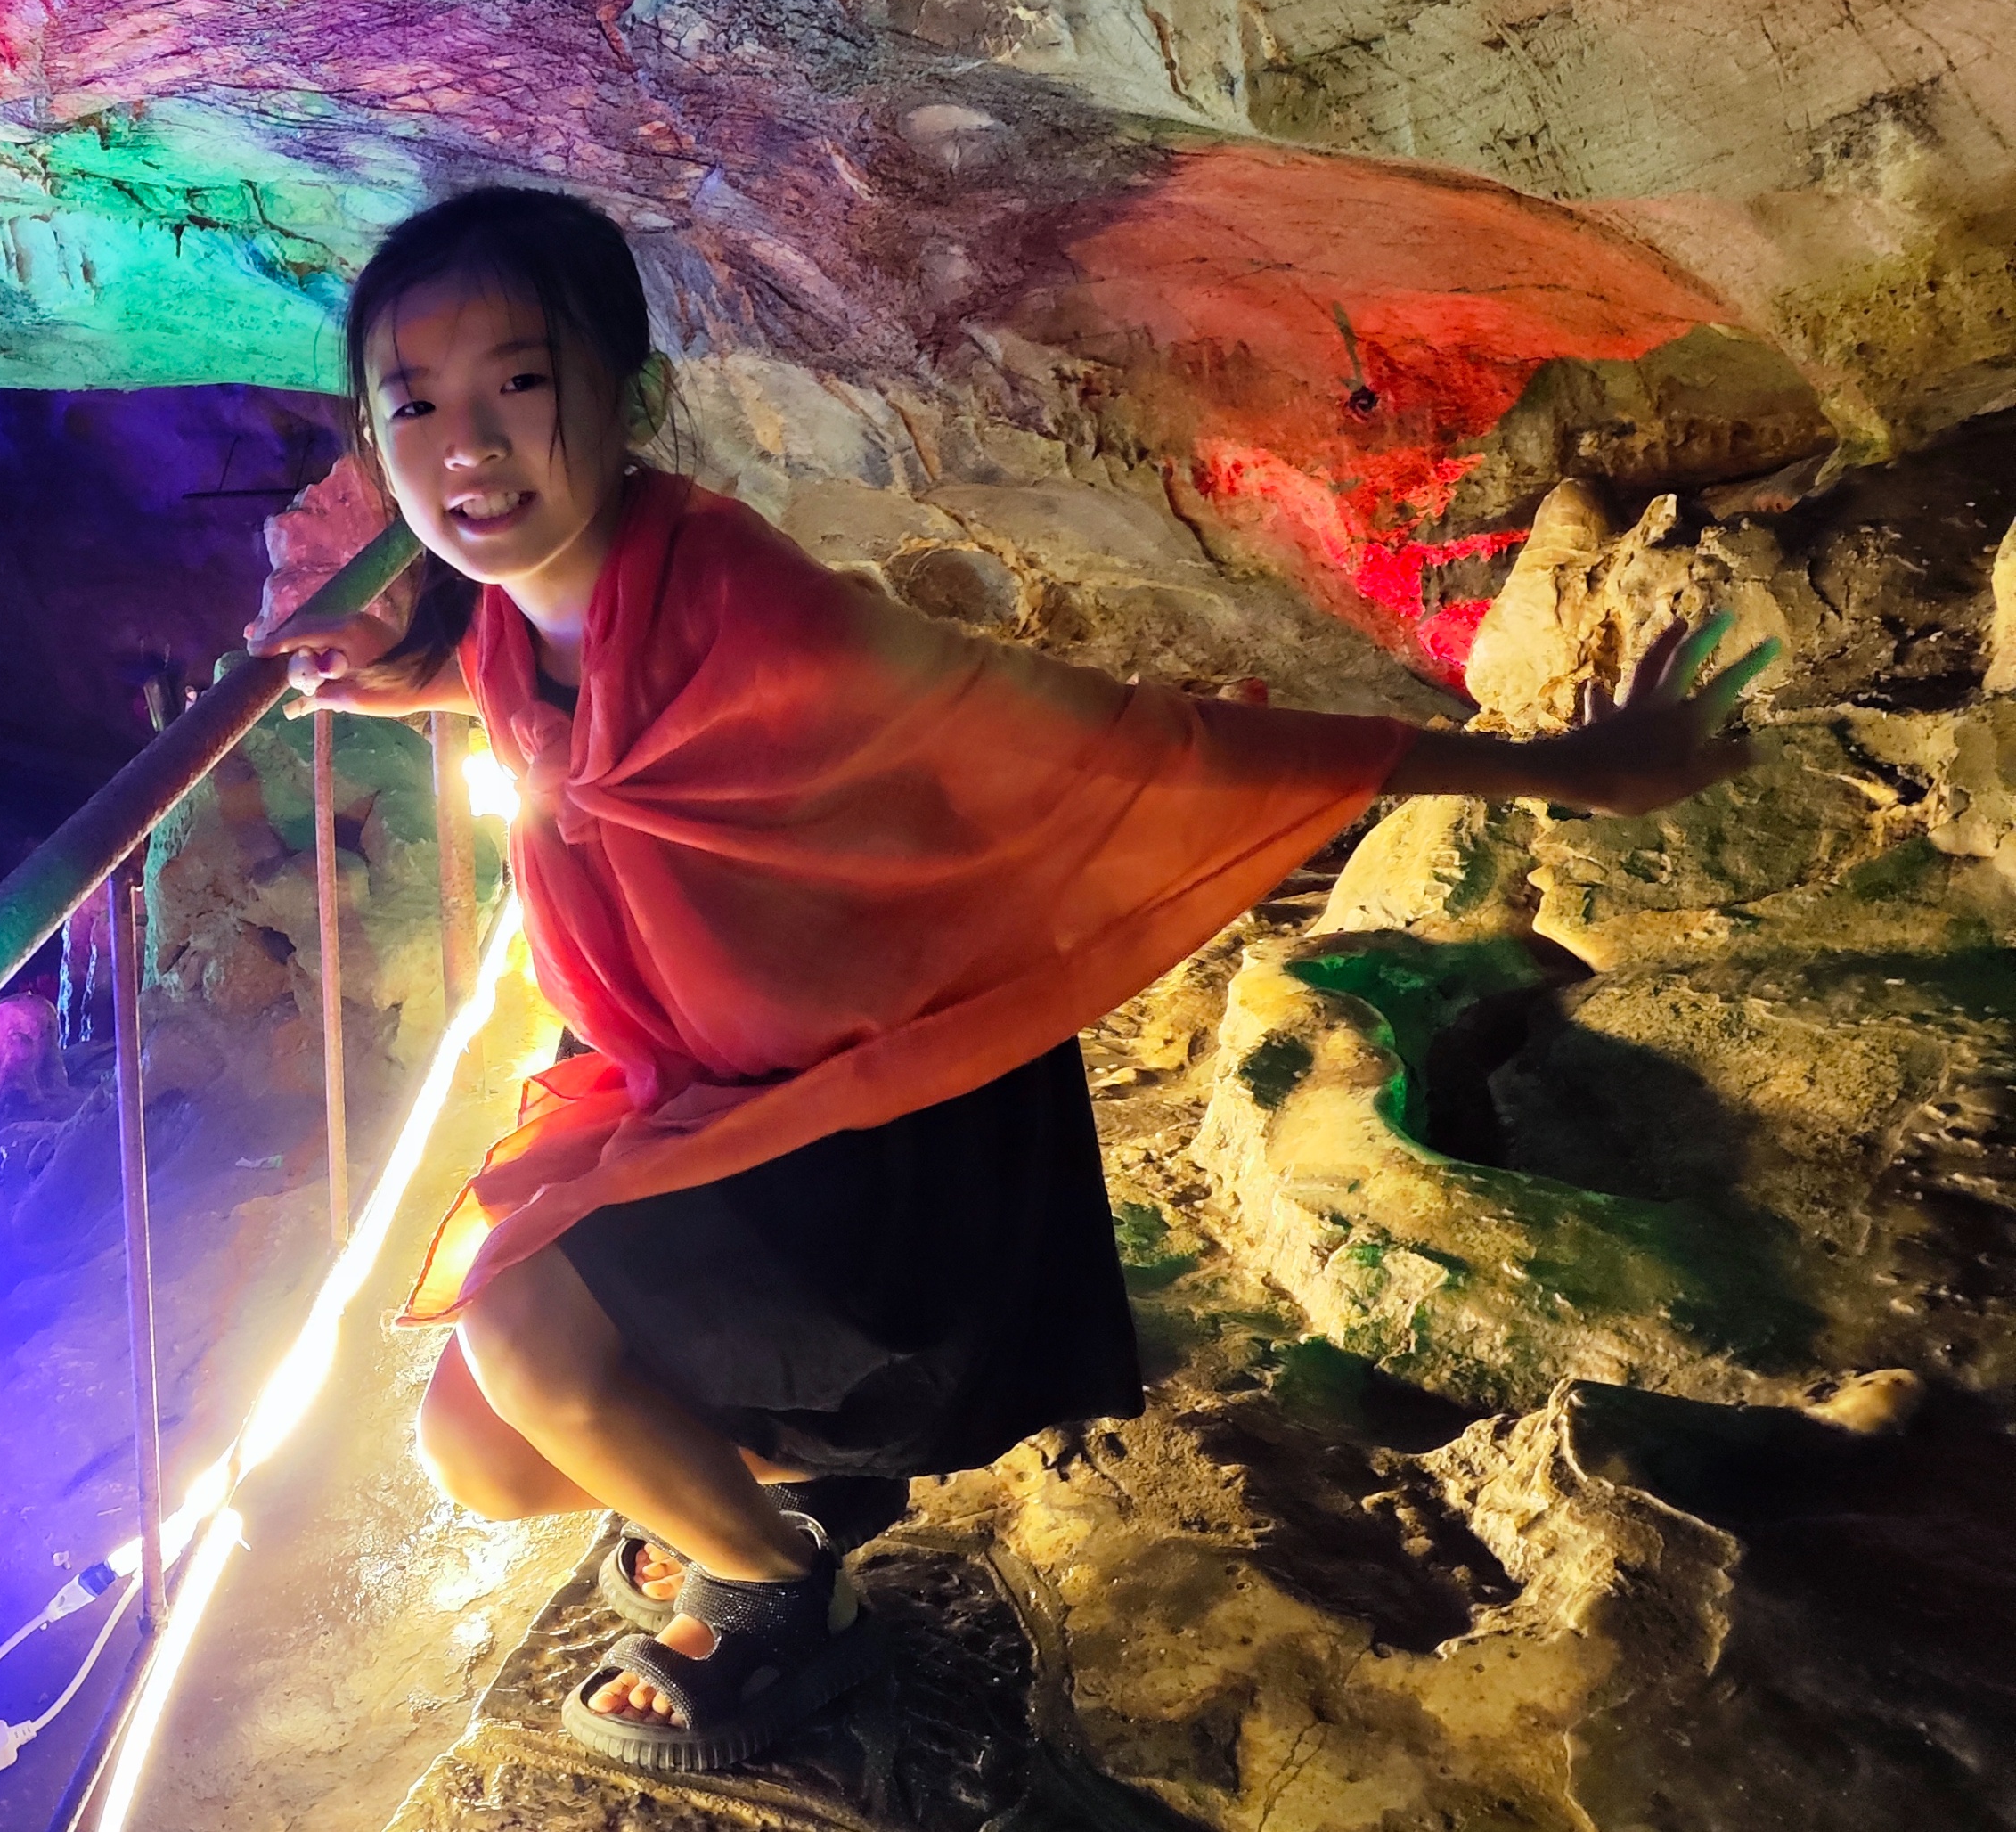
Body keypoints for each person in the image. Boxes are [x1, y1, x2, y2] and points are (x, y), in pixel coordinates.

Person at [258, 186, 1775, 1773]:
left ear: (627, 395)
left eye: (515, 380)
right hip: (725, 1113)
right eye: (410, 402)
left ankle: (785, 1606)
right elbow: (562, 713)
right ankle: (793, 1487)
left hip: (882, 1150)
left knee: (521, 1339)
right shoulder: (517, 623)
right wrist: (412, 678)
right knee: (476, 1460)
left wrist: (1553, 772)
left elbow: (1127, 742)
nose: (463, 444)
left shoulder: (747, 611)